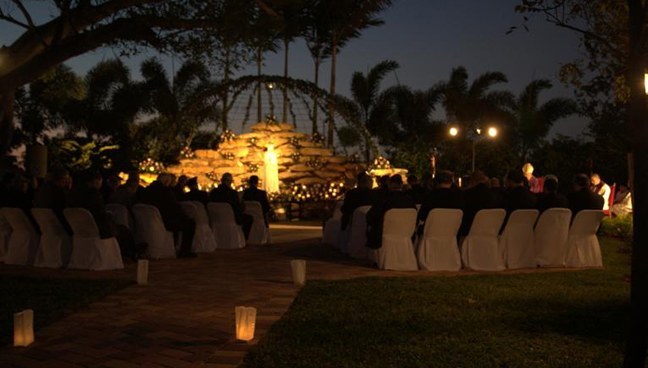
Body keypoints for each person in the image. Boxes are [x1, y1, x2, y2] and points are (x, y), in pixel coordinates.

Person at [67, 170, 143, 260]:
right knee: (123, 230)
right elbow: (100, 213)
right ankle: (132, 253)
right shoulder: (94, 195)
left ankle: (129, 252)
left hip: (77, 227)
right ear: (96, 181)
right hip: (96, 227)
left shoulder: (74, 194)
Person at [138, 173, 196, 258]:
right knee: (190, 223)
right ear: (166, 182)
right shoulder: (165, 192)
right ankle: (185, 251)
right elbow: (174, 207)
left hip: (150, 221)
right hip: (165, 220)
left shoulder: (146, 190)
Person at [366, 174, 417, 250]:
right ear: (401, 184)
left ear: (389, 184)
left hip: (385, 235)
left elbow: (371, 216)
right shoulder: (410, 200)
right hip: (406, 233)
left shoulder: (384, 199)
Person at [417, 170, 464, 235]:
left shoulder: (431, 196)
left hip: (431, 232)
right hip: (453, 232)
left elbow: (422, 216)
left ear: (436, 182)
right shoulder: (459, 197)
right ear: (451, 182)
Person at [209, 173, 253, 239]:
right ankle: (244, 239)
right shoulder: (232, 193)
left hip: (215, 219)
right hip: (231, 219)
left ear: (221, 180)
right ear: (230, 182)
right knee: (249, 218)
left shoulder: (213, 192)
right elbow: (239, 209)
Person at [460, 170, 502, 236]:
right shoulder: (493, 194)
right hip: (490, 228)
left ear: (472, 181)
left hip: (471, 229)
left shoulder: (468, 194)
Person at [33, 168, 72, 233]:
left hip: (43, 226)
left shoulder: (41, 190)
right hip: (57, 227)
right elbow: (64, 210)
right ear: (64, 179)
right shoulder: (58, 192)